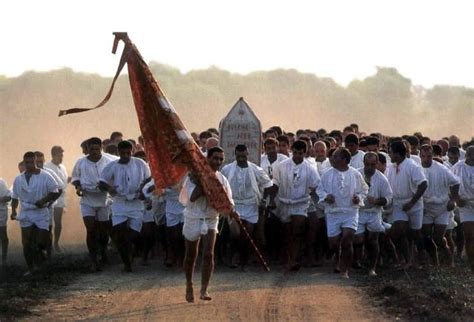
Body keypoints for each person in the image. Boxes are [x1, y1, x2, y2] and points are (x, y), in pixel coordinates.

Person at [179, 146, 236, 302]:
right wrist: (204, 183)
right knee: (191, 254)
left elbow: (228, 201)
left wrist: (232, 211)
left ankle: (204, 289)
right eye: (215, 158)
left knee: (209, 253)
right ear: (207, 159)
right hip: (193, 216)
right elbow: (191, 198)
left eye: (220, 159)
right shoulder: (192, 177)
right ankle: (189, 283)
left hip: (211, 218)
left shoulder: (222, 179)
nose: (217, 162)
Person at [99, 140, 151, 272]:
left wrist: (143, 189)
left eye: (128, 153)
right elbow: (101, 182)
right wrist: (110, 188)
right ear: (118, 153)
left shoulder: (140, 163)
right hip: (119, 203)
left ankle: (131, 248)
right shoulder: (112, 166)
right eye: (123, 153)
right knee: (119, 234)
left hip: (136, 203)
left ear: (132, 151)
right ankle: (127, 264)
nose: (126, 155)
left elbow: (149, 179)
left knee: (133, 234)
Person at [318, 148, 368, 278]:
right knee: (333, 243)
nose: (332, 159)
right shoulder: (326, 174)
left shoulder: (355, 174)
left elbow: (364, 190)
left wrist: (359, 198)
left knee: (347, 239)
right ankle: (338, 258)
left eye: (335, 156)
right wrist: (326, 197)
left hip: (350, 211)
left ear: (344, 160)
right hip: (333, 212)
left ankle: (345, 269)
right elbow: (320, 190)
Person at [221, 144, 273, 270]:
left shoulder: (255, 169)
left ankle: (243, 259)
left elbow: (268, 184)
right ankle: (235, 255)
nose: (241, 159)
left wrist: (264, 201)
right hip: (234, 204)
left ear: (247, 155)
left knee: (247, 233)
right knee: (236, 233)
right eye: (238, 156)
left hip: (250, 205)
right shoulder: (227, 169)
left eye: (243, 156)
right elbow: (221, 185)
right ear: (235, 155)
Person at [273, 140, 320, 271]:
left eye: (300, 153)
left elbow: (317, 185)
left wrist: (316, 194)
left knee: (297, 229)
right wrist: (271, 199)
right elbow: (275, 183)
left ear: (305, 153)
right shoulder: (282, 166)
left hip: (301, 203)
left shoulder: (310, 168)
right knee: (287, 232)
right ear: (291, 151)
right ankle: (288, 257)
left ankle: (294, 259)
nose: (297, 155)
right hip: (284, 202)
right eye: (295, 153)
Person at [11, 152, 60, 275]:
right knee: (26, 243)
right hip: (26, 212)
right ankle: (31, 268)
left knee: (40, 242)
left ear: (35, 162)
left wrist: (43, 201)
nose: (29, 165)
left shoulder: (45, 176)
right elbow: (15, 197)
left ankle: (42, 261)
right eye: (26, 162)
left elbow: (55, 191)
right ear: (24, 162)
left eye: (31, 162)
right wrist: (13, 211)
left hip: (40, 212)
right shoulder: (19, 179)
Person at [71, 138, 114, 271]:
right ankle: (93, 259)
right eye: (91, 150)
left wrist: (108, 188)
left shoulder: (109, 162)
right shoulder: (80, 162)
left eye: (97, 149)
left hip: (104, 199)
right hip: (87, 199)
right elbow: (75, 179)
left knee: (103, 230)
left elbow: (113, 178)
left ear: (101, 148)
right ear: (87, 149)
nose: (94, 152)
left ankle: (103, 252)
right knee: (91, 229)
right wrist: (78, 188)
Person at [386, 141, 427, 269]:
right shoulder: (392, 167)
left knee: (415, 233)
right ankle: (407, 260)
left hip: (413, 203)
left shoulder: (412, 166)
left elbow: (423, 184)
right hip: (398, 203)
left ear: (397, 153)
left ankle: (422, 258)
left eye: (391, 152)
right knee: (399, 230)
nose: (389, 154)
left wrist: (412, 202)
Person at [419, 145, 460, 266]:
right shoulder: (417, 169)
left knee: (438, 237)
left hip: (442, 207)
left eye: (429, 156)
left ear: (432, 155)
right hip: (426, 207)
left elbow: (456, 182)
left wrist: (453, 200)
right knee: (426, 236)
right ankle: (434, 261)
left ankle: (449, 257)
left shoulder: (442, 169)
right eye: (423, 156)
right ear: (420, 156)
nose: (426, 159)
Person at [353, 152, 392, 276]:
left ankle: (372, 267)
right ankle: (357, 260)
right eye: (367, 164)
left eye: (373, 165)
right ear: (363, 163)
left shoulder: (381, 178)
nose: (370, 167)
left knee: (373, 239)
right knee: (358, 239)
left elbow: (389, 197)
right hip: (358, 211)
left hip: (374, 212)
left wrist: (377, 201)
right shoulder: (356, 174)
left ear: (377, 164)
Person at [452, 146, 474, 271]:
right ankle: (472, 265)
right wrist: (456, 198)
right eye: (470, 155)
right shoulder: (458, 168)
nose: (472, 157)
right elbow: (450, 182)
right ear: (466, 155)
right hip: (466, 206)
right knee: (469, 235)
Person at [44, 145, 69, 252]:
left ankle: (56, 243)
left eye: (62, 155)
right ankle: (47, 244)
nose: (62, 157)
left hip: (61, 199)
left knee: (58, 222)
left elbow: (64, 182)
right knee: (49, 223)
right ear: (54, 155)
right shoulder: (47, 167)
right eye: (60, 155)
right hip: (51, 198)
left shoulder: (62, 167)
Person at [0, 178, 12, 265]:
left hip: (1, 213)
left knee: (2, 234)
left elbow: (9, 197)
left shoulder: (1, 182)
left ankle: (4, 258)